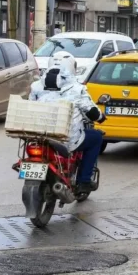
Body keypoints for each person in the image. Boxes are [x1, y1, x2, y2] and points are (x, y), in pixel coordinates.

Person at [29, 51, 106, 194]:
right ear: (71, 67)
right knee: (96, 138)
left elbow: (31, 105)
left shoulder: (36, 86)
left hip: (39, 135)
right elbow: (91, 112)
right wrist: (100, 117)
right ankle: (84, 181)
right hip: (66, 138)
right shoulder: (76, 89)